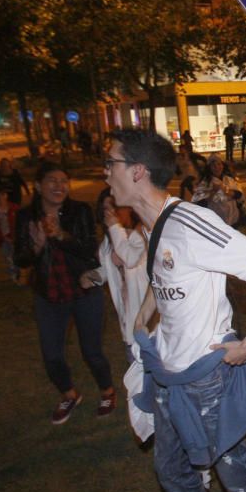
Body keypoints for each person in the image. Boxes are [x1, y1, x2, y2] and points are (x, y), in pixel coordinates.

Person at [104, 128, 246, 492]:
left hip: (205, 378)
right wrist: (142, 315)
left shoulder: (192, 222)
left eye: (110, 164)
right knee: (172, 472)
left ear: (136, 171)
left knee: (235, 473)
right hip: (169, 376)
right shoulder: (155, 225)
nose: (105, 174)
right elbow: (162, 273)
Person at [13, 162, 115, 425]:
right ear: (37, 186)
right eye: (52, 181)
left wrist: (61, 235)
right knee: (51, 354)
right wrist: (35, 249)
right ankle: (69, 394)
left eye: (64, 181)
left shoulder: (79, 211)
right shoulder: (26, 216)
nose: (60, 186)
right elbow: (21, 259)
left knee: (91, 351)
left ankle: (107, 391)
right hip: (49, 294)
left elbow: (89, 251)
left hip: (83, 291)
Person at [94, 188, 152, 442]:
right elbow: (107, 272)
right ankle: (149, 420)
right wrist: (92, 276)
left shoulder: (141, 237)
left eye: (115, 207)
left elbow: (130, 258)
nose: (111, 214)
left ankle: (159, 417)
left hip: (150, 323)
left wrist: (115, 227)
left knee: (155, 370)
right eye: (106, 209)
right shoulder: (107, 244)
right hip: (127, 324)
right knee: (137, 371)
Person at [192, 154, 245, 228]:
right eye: (213, 165)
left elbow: (239, 195)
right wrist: (213, 191)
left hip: (233, 218)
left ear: (223, 165)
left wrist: (225, 190)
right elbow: (199, 203)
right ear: (209, 168)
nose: (217, 167)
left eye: (219, 164)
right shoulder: (205, 183)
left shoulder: (229, 180)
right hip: (216, 222)